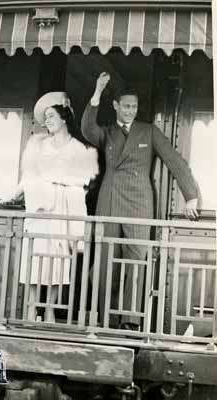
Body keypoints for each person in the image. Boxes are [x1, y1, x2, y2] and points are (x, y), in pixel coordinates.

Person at [81, 72, 198, 330]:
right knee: (105, 261)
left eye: (134, 106)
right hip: (109, 202)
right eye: (126, 106)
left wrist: (190, 196)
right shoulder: (108, 133)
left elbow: (175, 161)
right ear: (116, 106)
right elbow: (87, 129)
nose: (131, 111)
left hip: (139, 204)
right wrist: (98, 91)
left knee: (136, 262)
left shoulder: (149, 131)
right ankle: (105, 320)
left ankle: (130, 322)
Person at [0, 92, 98, 322]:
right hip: (39, 210)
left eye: (52, 115)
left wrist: (62, 181)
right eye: (46, 117)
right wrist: (13, 193)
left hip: (61, 211)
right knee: (34, 259)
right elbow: (28, 176)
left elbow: (84, 179)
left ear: (64, 118)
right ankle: (32, 308)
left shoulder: (76, 148)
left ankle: (51, 309)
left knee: (57, 261)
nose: (48, 121)